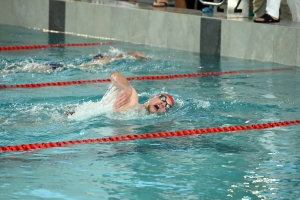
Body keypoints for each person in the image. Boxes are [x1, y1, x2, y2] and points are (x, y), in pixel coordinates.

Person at [67, 71, 175, 117]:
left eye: (167, 106)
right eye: (163, 98)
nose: (163, 104)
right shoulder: (133, 98)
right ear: (153, 97)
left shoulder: (141, 117)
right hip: (74, 115)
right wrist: (126, 87)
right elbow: (114, 74)